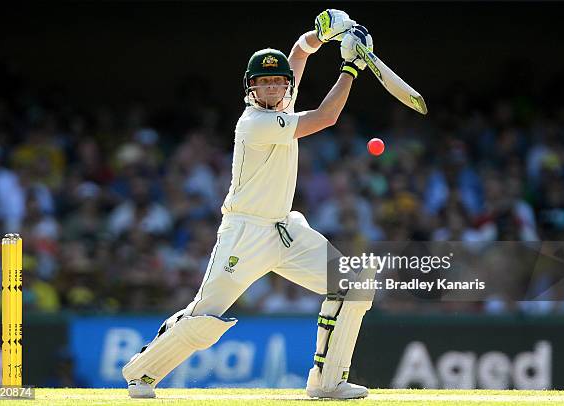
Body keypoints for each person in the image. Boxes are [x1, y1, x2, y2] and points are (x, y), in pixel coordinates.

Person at [122, 9, 375, 399]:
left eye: (279, 82)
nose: (273, 89)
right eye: (265, 83)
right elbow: (326, 118)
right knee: (205, 318)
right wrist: (351, 68)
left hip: (286, 229)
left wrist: (320, 36)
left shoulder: (284, 107)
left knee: (355, 287)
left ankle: (327, 383)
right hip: (245, 232)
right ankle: (140, 373)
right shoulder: (253, 123)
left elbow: (298, 53)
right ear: (251, 89)